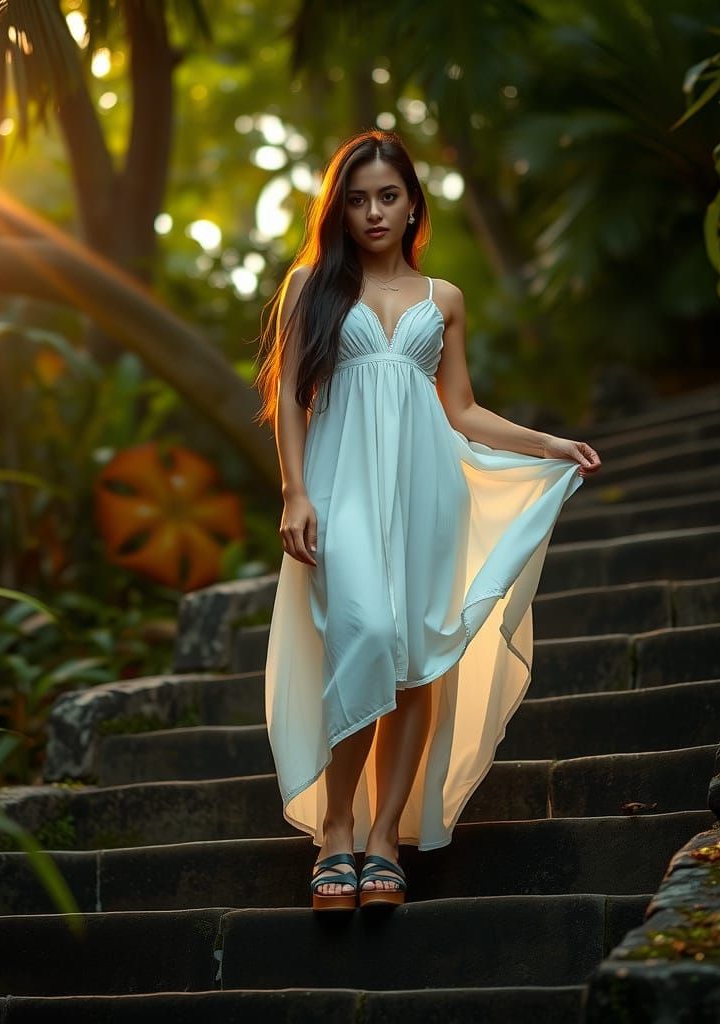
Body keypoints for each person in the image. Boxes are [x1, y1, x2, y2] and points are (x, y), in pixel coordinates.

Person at [252, 128, 601, 912]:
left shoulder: (443, 298)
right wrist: (294, 494)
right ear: (338, 208)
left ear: (413, 204)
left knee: (415, 658)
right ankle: (333, 830)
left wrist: (545, 442)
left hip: (426, 494)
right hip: (341, 491)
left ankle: (382, 840)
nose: (373, 211)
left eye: (388, 195)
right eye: (357, 197)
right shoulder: (311, 287)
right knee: (366, 635)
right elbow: (292, 407)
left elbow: (463, 409)